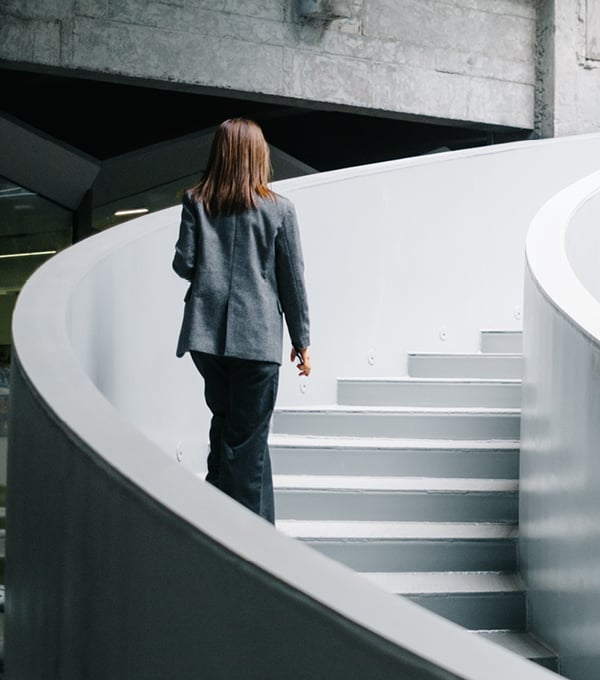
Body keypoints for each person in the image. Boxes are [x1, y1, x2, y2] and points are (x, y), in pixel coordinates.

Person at [172, 118, 311, 524]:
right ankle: (246, 540)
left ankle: (219, 522)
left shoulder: (196, 201)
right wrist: (302, 341)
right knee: (245, 441)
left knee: (229, 431)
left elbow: (184, 264)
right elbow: (292, 281)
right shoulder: (280, 210)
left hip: (206, 337)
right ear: (258, 156)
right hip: (257, 340)